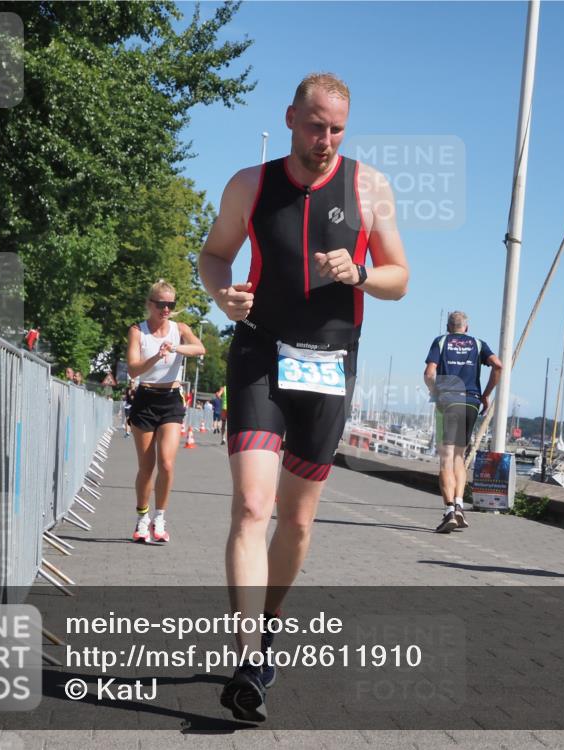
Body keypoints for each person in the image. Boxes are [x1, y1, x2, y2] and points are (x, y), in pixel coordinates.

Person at [198, 72, 409, 722]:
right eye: (315, 125)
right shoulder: (249, 184)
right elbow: (213, 256)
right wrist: (221, 293)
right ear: (290, 117)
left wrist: (364, 273)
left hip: (330, 361)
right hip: (261, 350)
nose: (325, 139)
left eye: (337, 129)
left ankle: (272, 613)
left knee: (295, 520)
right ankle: (249, 656)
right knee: (252, 507)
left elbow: (400, 278)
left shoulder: (369, 187)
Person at [125, 279, 206, 544]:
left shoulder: (179, 329)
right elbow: (133, 370)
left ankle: (160, 517)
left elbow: (199, 348)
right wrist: (156, 357)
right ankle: (142, 518)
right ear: (150, 304)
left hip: (171, 398)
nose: (166, 310)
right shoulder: (138, 331)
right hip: (145, 398)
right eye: (161, 304)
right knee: (146, 467)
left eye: (171, 304)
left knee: (168, 464)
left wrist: (176, 348)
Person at [423, 311, 502, 533]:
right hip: (471, 402)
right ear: (466, 328)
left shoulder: (441, 342)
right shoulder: (478, 344)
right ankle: (459, 504)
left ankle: (449, 510)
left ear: (449, 327)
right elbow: (498, 365)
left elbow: (429, 373)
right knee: (459, 456)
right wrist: (485, 394)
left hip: (449, 401)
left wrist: (435, 392)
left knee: (446, 458)